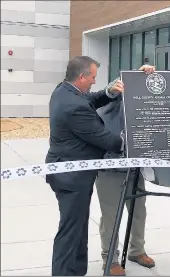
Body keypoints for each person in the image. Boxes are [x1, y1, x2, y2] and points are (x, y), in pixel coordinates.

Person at [95, 65, 170, 276]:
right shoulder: (110, 100)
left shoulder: (146, 104)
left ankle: (136, 250)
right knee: (111, 216)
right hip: (110, 167)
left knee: (139, 211)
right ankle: (110, 258)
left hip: (134, 168)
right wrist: (130, 78)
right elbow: (111, 90)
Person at [45, 56, 124, 276]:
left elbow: (89, 99)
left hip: (70, 174)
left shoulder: (64, 91)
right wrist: (133, 141)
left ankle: (77, 271)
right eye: (92, 78)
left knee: (77, 228)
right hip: (72, 177)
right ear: (81, 77)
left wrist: (110, 93)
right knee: (70, 232)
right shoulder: (74, 106)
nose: (93, 82)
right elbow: (107, 140)